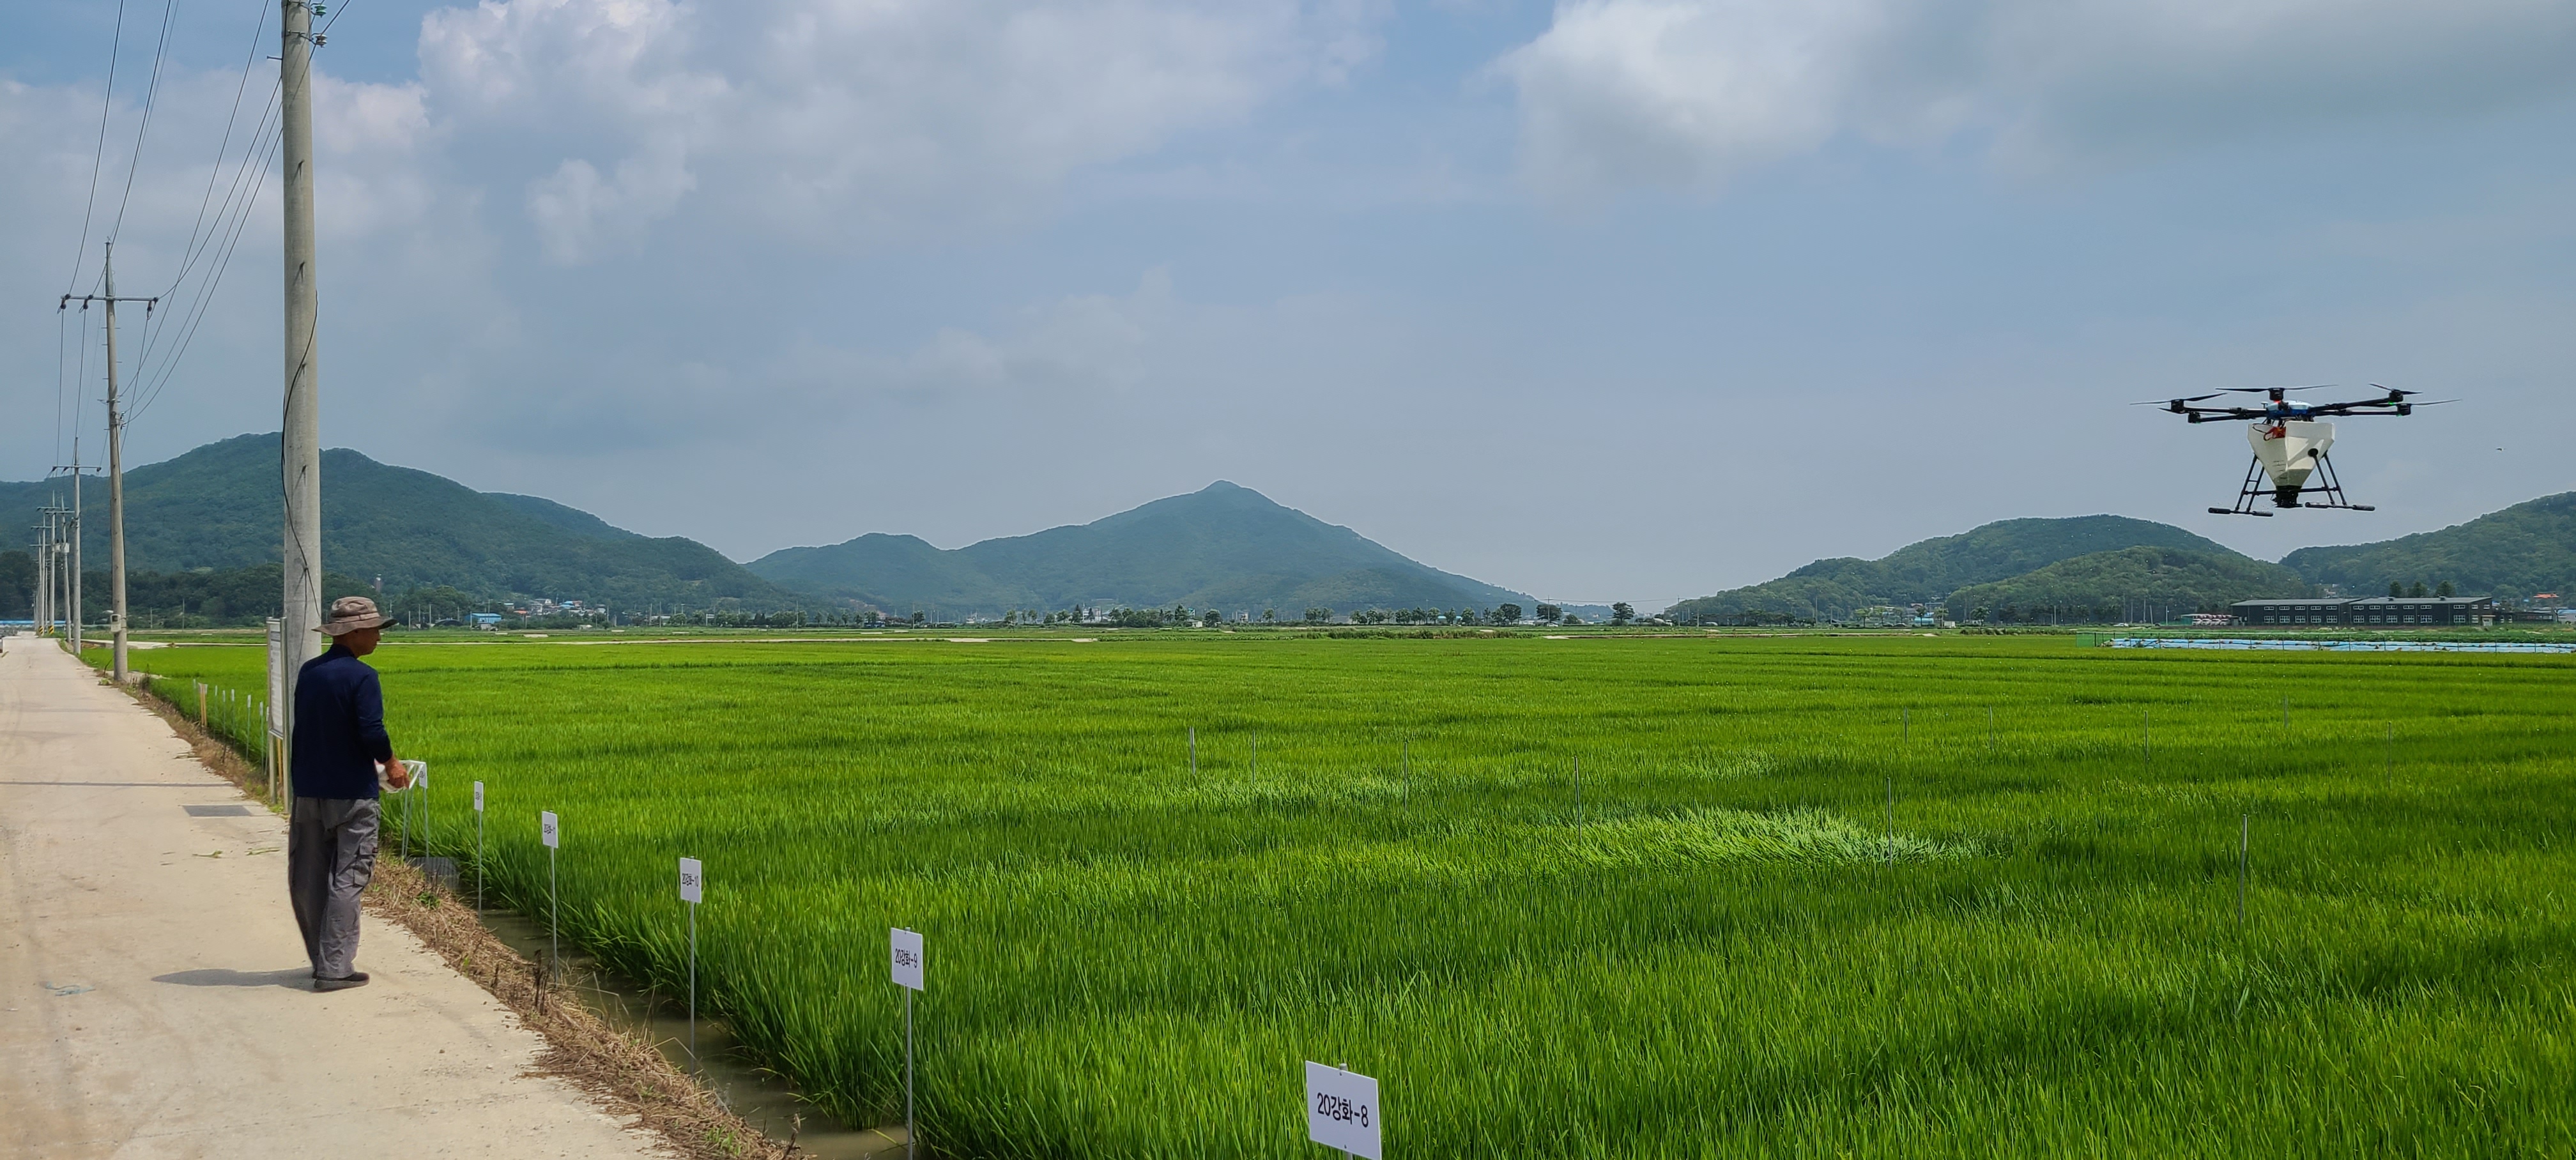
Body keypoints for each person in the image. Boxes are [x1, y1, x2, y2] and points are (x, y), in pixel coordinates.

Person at [289, 595, 410, 992]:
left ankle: (320, 960)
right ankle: (335, 968)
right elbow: (371, 731)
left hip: (308, 791)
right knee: (349, 877)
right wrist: (391, 763)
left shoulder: (310, 672)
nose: (379, 637)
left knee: (308, 878)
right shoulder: (363, 677)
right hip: (352, 794)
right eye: (374, 630)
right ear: (355, 632)